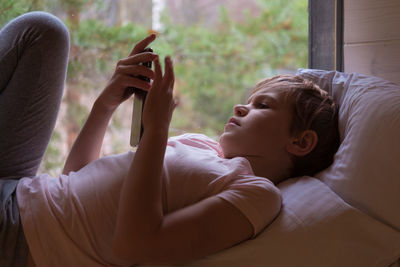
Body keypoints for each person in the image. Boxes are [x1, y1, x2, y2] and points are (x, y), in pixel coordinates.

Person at [0, 12, 340, 267]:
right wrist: (106, 103)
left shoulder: (257, 195)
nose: (241, 106)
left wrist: (157, 133)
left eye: (262, 106)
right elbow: (73, 181)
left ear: (300, 142)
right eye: (249, 100)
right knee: (44, 32)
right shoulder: (205, 146)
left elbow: (134, 246)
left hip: (18, 236)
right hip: (22, 190)